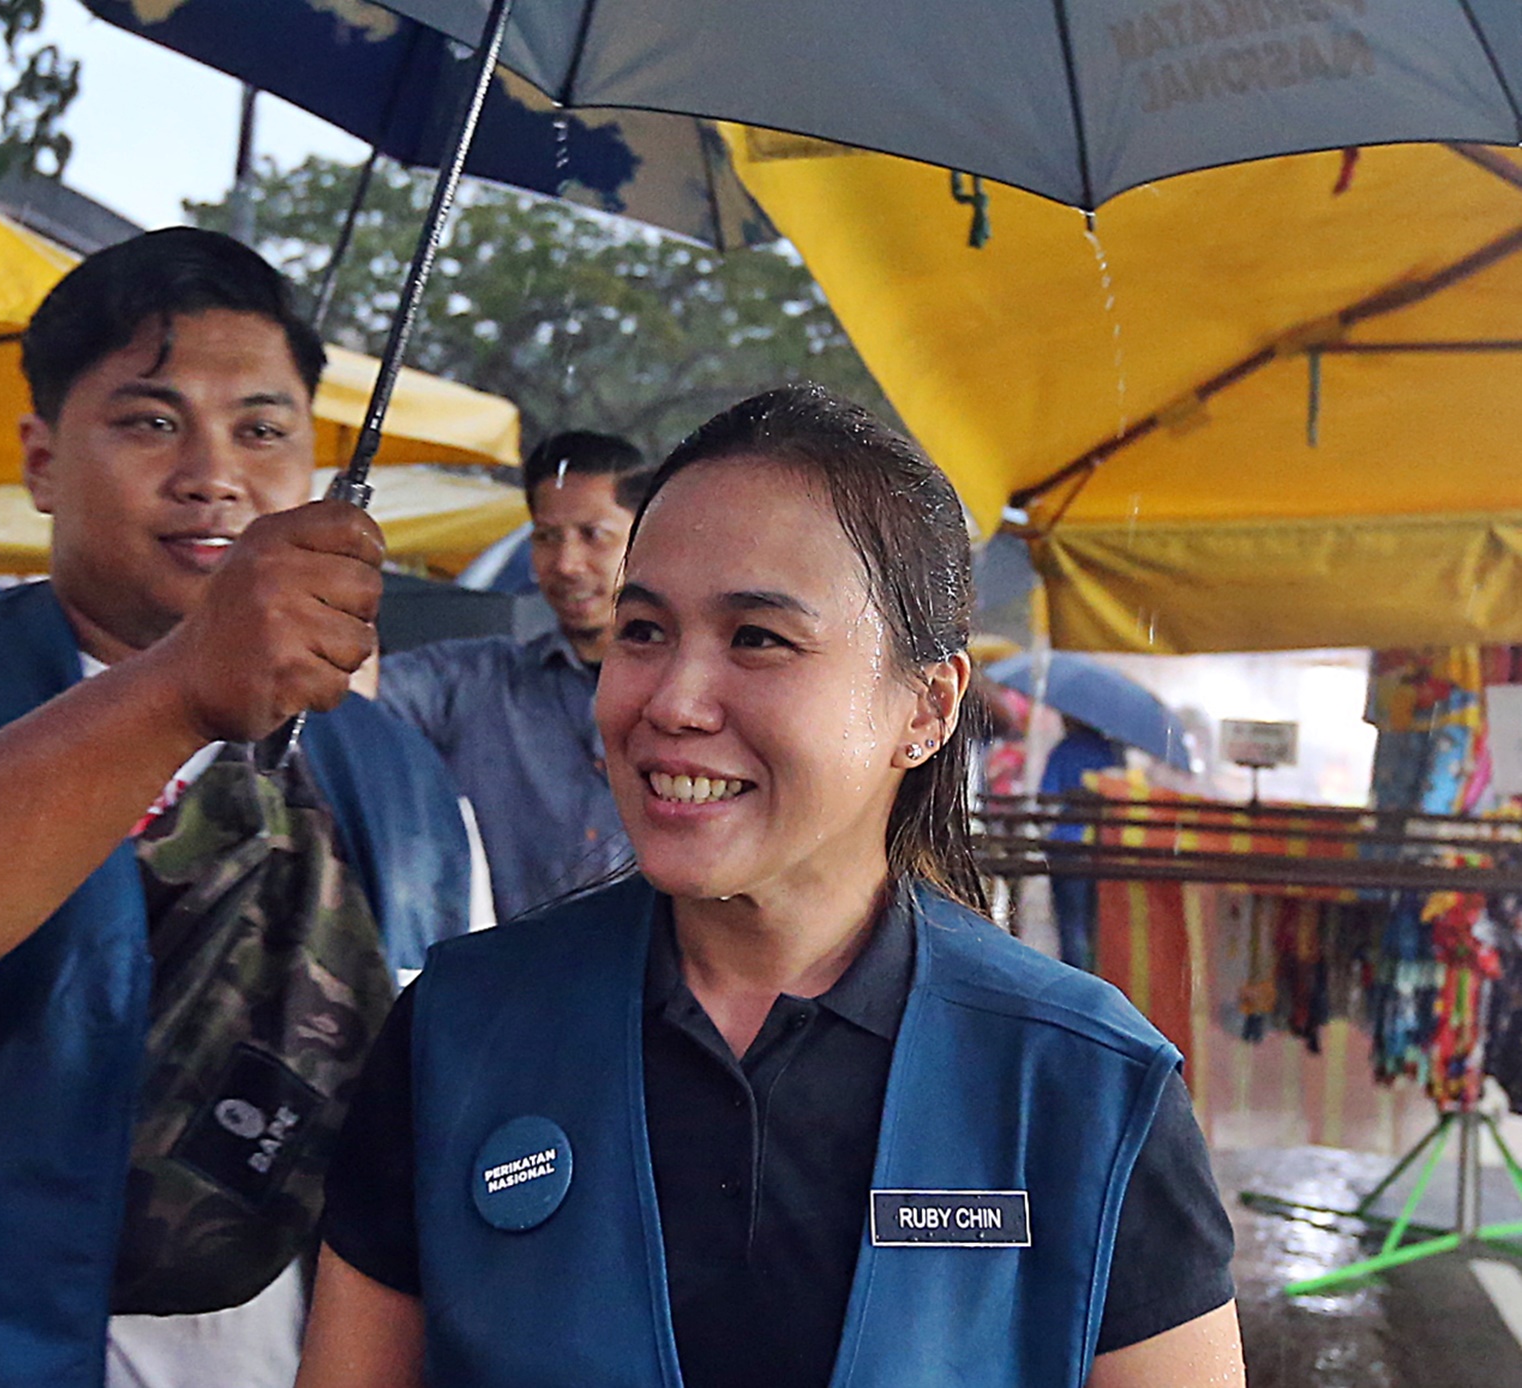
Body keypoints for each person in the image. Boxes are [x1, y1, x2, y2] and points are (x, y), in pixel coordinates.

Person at [301, 386, 1243, 1388]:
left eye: (758, 637)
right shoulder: (460, 1029)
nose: (671, 700)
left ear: (926, 706)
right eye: (644, 630)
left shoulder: (1081, 1082)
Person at [0, 227, 475, 1387]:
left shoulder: (406, 782)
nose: (214, 472)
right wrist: (183, 685)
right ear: (42, 458)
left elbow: (440, 1139)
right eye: (152, 421)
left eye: (261, 430)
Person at [380, 431, 649, 919]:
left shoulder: (692, 694)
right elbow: (348, 692)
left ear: (647, 540)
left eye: (594, 535)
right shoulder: (476, 683)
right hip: (516, 980)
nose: (566, 564)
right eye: (547, 537)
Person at [1043, 717, 1126, 971]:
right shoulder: (1112, 753)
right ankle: (1100, 980)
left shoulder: (1064, 749)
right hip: (1105, 846)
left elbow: (1048, 793)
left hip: (1067, 845)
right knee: (1099, 924)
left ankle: (1075, 983)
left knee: (1070, 924)